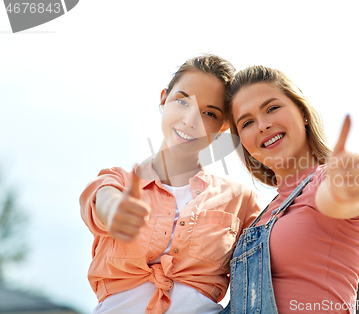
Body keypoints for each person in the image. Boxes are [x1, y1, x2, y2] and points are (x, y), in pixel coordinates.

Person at [79, 54, 261, 314]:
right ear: (164, 99)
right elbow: (102, 200)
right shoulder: (117, 181)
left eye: (208, 113)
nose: (190, 120)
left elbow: (269, 267)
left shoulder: (239, 199)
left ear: (222, 126)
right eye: (182, 101)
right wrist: (116, 211)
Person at [221, 65, 359, 314]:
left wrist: (344, 187)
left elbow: (336, 198)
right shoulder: (259, 219)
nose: (262, 125)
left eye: (272, 108)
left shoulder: (326, 180)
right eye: (247, 122)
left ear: (303, 112)